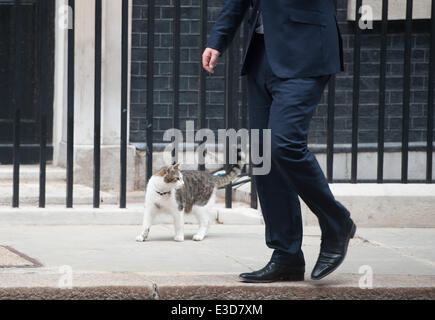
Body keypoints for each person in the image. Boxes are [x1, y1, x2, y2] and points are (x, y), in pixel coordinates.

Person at [202, 0, 356, 282]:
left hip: (306, 49)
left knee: (283, 144)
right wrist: (218, 39)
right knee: (264, 156)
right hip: (262, 54)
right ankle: (286, 255)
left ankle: (337, 222)